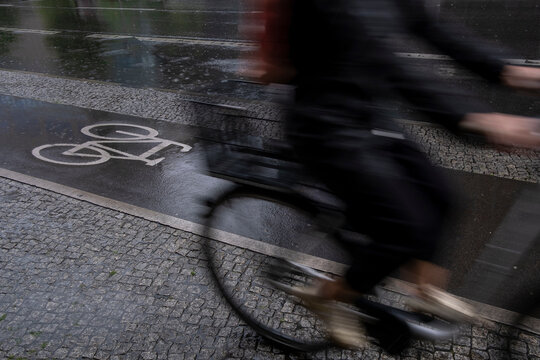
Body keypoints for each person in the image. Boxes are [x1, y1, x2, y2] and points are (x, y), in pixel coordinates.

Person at [244, 0, 540, 348]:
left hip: (369, 118)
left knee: (445, 199)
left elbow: (438, 31)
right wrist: (476, 118)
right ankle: (324, 296)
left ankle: (424, 293)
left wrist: (512, 71)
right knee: (406, 230)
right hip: (324, 128)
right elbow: (387, 64)